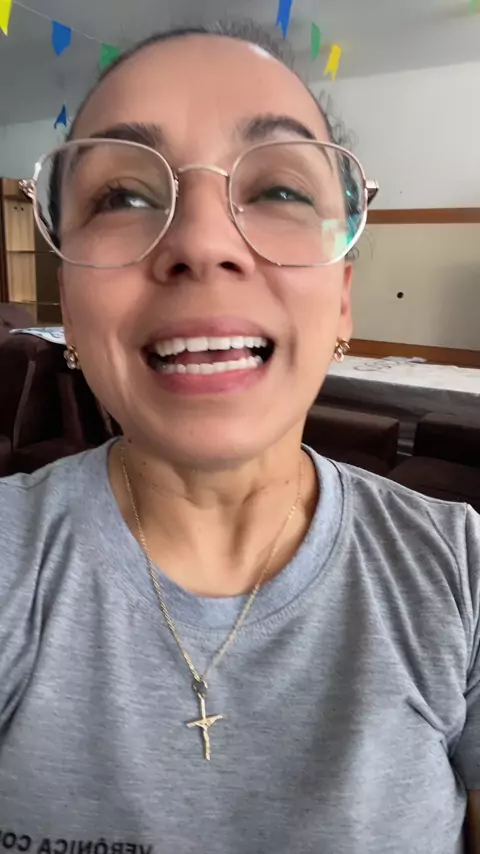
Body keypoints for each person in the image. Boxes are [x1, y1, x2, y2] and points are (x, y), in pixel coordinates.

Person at [0, 21, 479, 854]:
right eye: (122, 197)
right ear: (68, 306)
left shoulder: (461, 577)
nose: (202, 243)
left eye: (280, 190)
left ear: (341, 299)